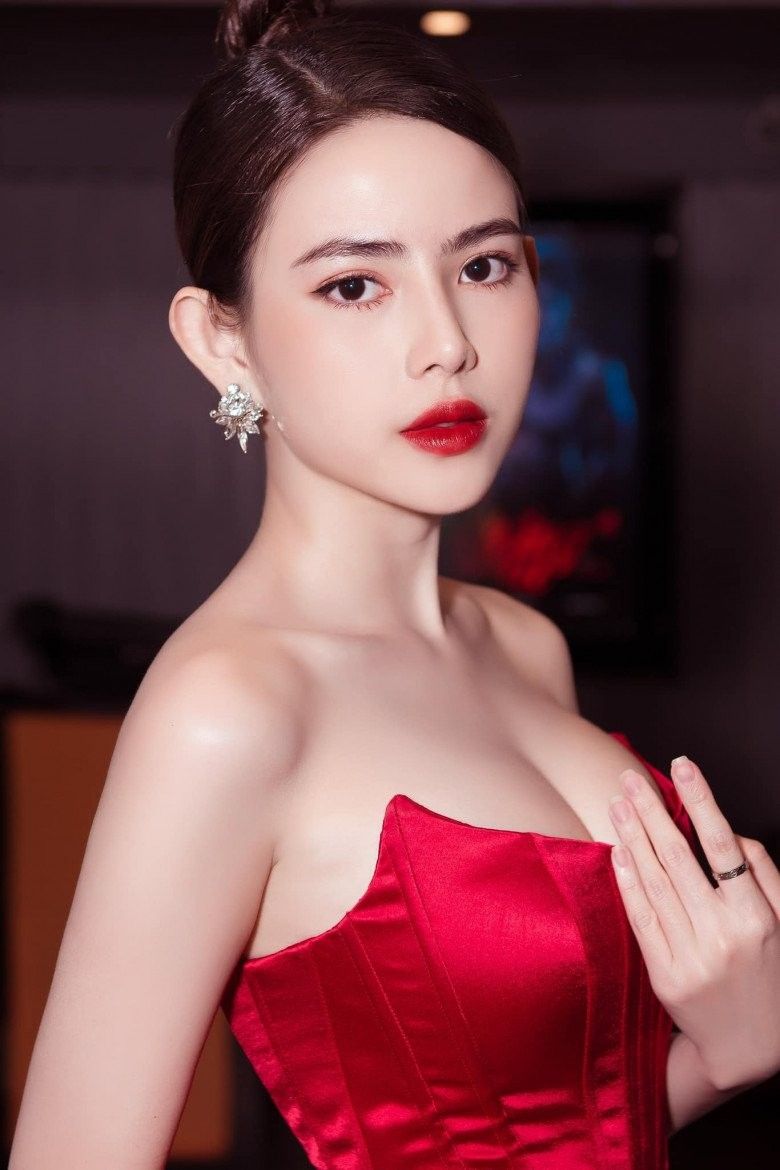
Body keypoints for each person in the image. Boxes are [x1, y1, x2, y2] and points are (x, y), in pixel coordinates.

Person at [9, 2, 780, 1167]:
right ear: (223, 343)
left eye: (483, 265)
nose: (448, 342)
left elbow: (547, 1129)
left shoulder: (522, 644)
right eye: (354, 286)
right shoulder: (229, 710)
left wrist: (726, 1056)